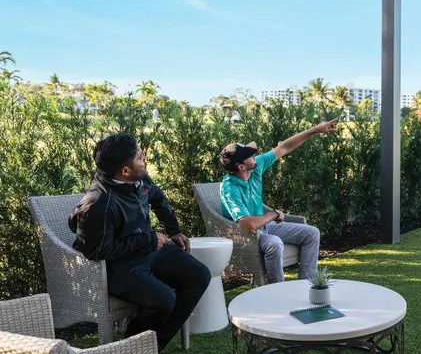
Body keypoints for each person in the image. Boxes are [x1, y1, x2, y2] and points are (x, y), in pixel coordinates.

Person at [69, 133, 210, 352]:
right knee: (164, 299)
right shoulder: (98, 203)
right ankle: (133, 346)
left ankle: (153, 345)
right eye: (140, 157)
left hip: (148, 250)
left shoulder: (139, 177)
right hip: (119, 265)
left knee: (199, 275)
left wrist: (174, 230)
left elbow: (157, 198)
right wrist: (150, 239)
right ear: (125, 171)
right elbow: (97, 251)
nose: (144, 159)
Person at [219, 119, 337, 284]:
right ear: (241, 166)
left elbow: (284, 147)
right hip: (244, 235)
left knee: (312, 233)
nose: (254, 155)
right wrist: (273, 214)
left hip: (265, 227)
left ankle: (307, 285)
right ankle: (277, 291)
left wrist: (316, 130)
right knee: (274, 243)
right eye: (249, 155)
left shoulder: (256, 166)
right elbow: (248, 225)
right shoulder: (229, 188)